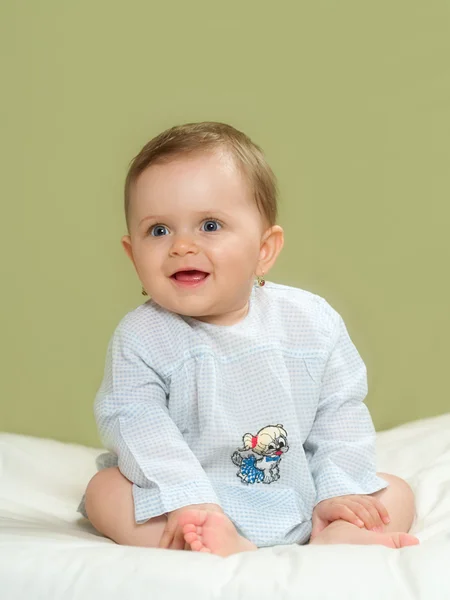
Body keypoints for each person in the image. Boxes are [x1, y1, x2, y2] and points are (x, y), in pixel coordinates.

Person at [78, 122, 420, 556]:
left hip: (300, 489)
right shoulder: (143, 336)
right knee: (104, 491)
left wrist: (338, 491)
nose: (182, 245)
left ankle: (335, 533)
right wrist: (189, 500)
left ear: (264, 249)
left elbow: (340, 414)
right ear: (133, 256)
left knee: (395, 491)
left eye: (210, 225)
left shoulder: (310, 322)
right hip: (192, 502)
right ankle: (208, 541)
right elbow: (137, 425)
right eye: (159, 230)